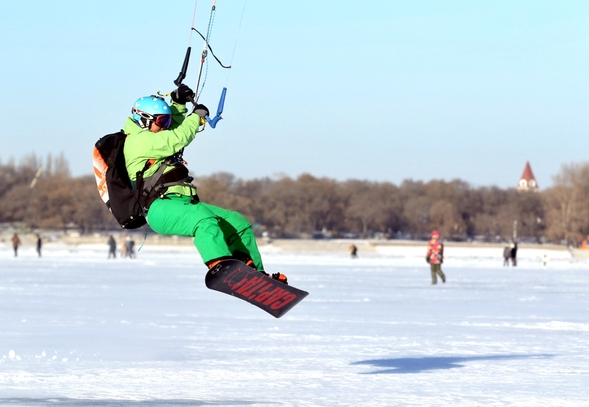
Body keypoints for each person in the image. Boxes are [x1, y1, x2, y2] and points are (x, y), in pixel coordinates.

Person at [122, 86, 286, 283]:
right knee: (204, 221)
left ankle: (255, 274)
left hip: (182, 202)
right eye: (161, 121)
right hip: (159, 207)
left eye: (166, 120)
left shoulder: (153, 135)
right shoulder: (138, 141)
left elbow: (173, 127)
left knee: (237, 222)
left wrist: (179, 102)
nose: (165, 125)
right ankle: (220, 265)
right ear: (144, 119)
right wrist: (196, 117)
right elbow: (176, 137)